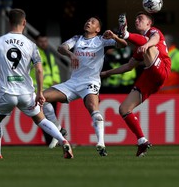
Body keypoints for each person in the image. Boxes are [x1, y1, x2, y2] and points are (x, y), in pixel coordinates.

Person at [0, 9, 73, 159]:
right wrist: (40, 92)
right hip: (26, 93)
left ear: (9, 22)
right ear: (24, 23)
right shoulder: (31, 45)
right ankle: (63, 141)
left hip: (6, 92)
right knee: (41, 119)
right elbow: (39, 70)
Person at [42, 16, 127, 157]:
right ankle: (57, 128)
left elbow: (123, 44)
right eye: (87, 20)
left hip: (90, 82)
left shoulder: (101, 40)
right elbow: (60, 47)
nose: (89, 22)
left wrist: (114, 37)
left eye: (93, 22)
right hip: (73, 82)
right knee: (42, 98)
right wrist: (70, 54)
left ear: (98, 29)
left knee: (93, 108)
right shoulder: (77, 39)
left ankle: (101, 144)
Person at [101, 12, 171, 157]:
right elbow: (128, 66)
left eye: (141, 18)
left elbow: (155, 39)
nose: (137, 20)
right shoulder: (140, 46)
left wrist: (145, 44)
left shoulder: (153, 32)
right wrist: (107, 73)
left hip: (162, 68)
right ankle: (142, 141)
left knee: (148, 45)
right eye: (136, 18)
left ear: (149, 23)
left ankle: (125, 34)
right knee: (124, 108)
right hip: (150, 77)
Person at [29, 34, 66, 148]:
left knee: (49, 115)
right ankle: (53, 139)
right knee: (44, 116)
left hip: (50, 90)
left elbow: (54, 69)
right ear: (36, 42)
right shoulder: (34, 54)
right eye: (41, 41)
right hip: (39, 90)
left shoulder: (49, 53)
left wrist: (56, 81)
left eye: (45, 41)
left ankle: (56, 139)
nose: (44, 43)